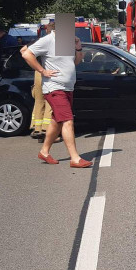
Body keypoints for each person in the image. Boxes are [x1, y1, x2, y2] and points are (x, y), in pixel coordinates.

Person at [21, 32, 91, 168]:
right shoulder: (48, 40)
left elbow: (75, 62)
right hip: (54, 88)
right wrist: (42, 71)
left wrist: (78, 47)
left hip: (67, 88)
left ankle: (44, 151)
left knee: (57, 121)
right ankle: (75, 158)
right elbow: (26, 54)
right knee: (67, 121)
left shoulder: (65, 41)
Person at [30, 18, 55, 141]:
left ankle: (37, 129)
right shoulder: (53, 42)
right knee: (50, 103)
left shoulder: (39, 41)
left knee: (39, 102)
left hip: (38, 73)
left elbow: (25, 52)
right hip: (48, 73)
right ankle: (46, 130)